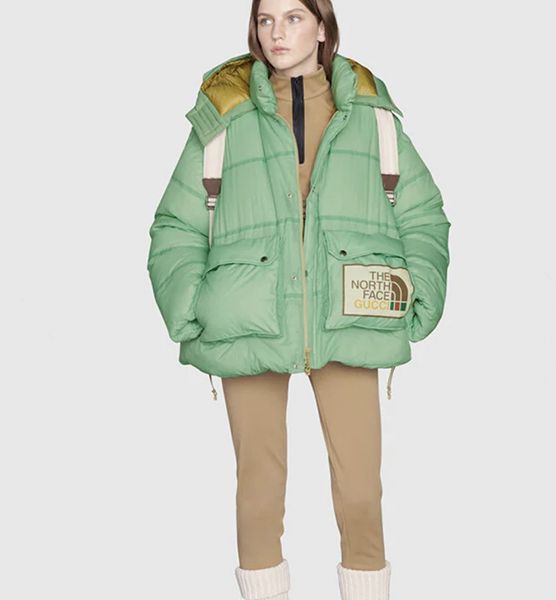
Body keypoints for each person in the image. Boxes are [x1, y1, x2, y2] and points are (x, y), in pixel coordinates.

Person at [146, 0, 451, 598]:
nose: (276, 33)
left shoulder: (372, 116)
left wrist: (420, 296)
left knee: (360, 490)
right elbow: (176, 225)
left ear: (322, 26)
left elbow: (423, 215)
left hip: (350, 315)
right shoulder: (225, 114)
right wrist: (192, 309)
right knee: (259, 489)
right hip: (248, 318)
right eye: (265, 20)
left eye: (293, 18)